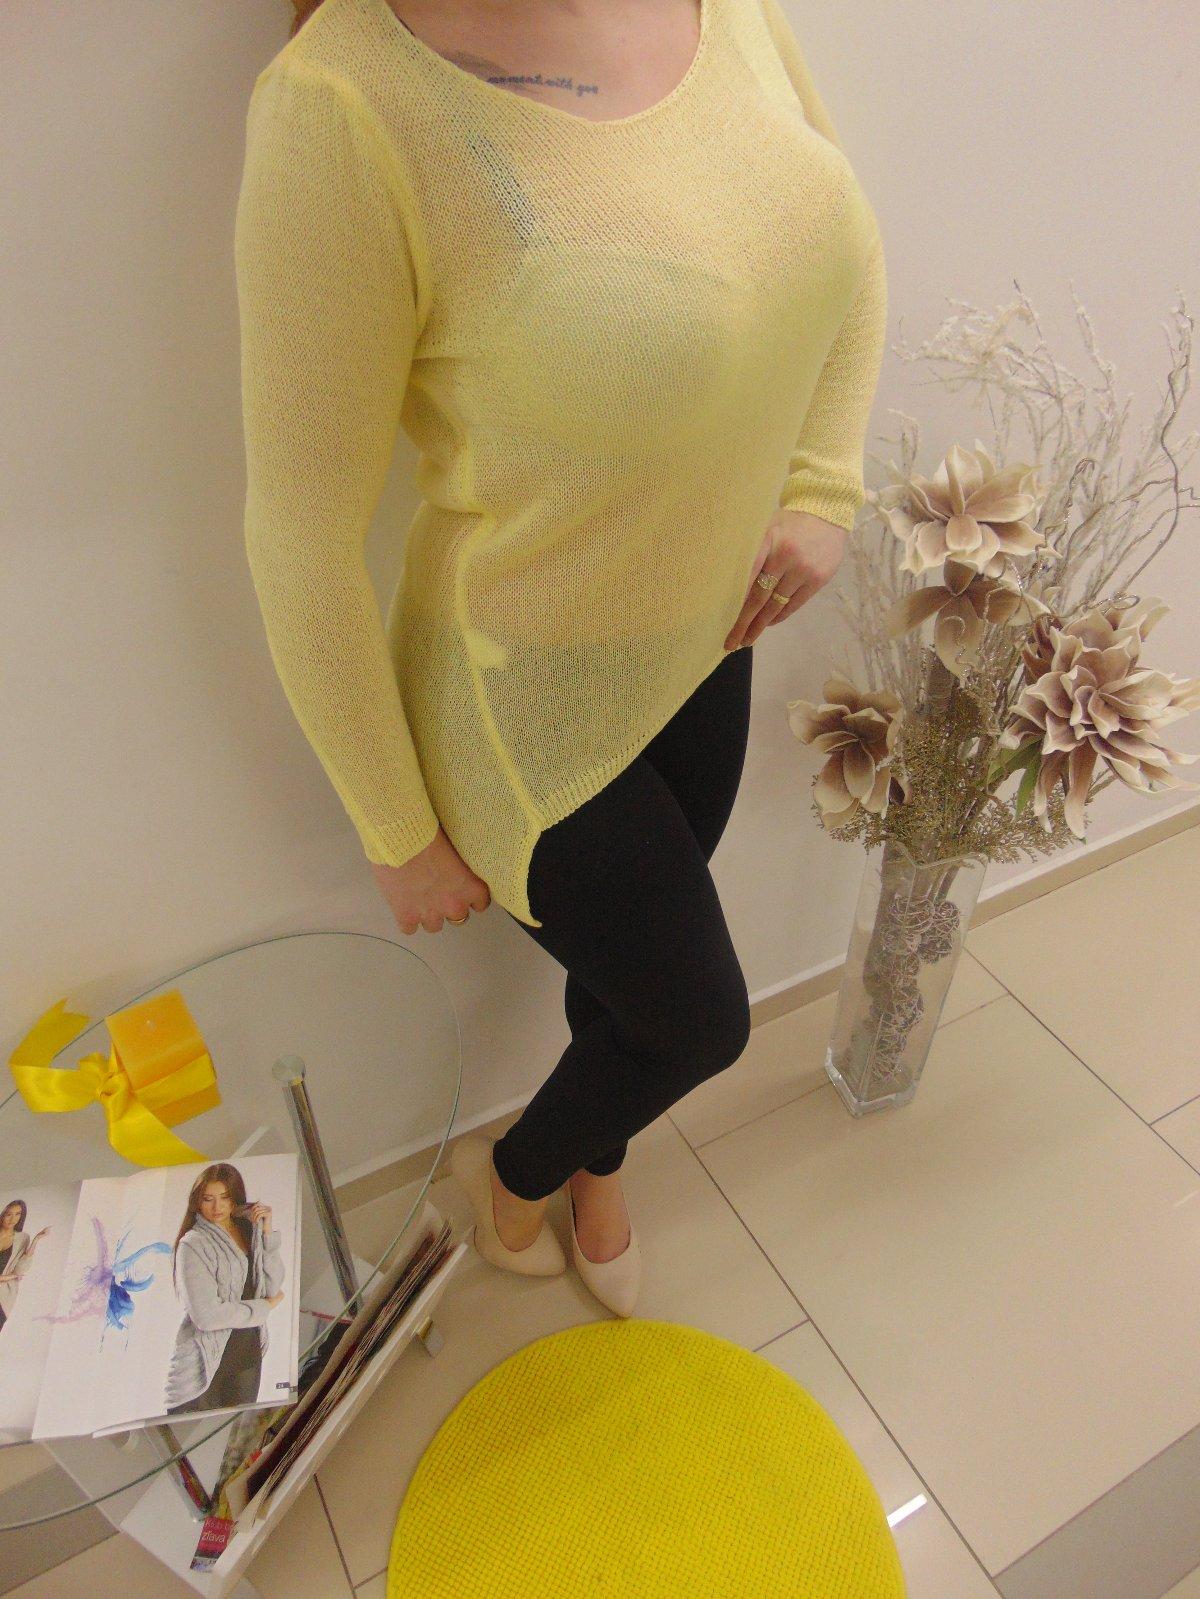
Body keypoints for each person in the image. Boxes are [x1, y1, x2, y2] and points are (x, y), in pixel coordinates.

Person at [235, 0, 887, 1311]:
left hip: (709, 638)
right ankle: (519, 1172)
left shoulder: (727, 9)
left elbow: (844, 251)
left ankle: (601, 1153)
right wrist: (394, 825)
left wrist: (822, 486)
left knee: (627, 986)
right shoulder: (345, 106)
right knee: (697, 1017)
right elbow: (298, 534)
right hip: (521, 708)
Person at [163, 1164, 285, 1414]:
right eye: (208, 1199)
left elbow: (272, 1286)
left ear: (235, 1198)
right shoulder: (193, 1244)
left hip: (248, 1354)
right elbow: (206, 1316)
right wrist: (264, 1307)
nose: (217, 1207)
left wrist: (267, 1231)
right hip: (206, 1365)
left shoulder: (248, 1228)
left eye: (224, 1197)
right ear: (197, 1202)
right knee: (202, 1435)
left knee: (242, 1433)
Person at [0, 1200, 50, 1334]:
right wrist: (10, 1276)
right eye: (9, 1214)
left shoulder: (22, 1238)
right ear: (2, 1214)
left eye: (18, 1214)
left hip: (2, 1296)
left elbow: (20, 1270)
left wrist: (36, 1240)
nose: (13, 1219)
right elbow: (16, 1275)